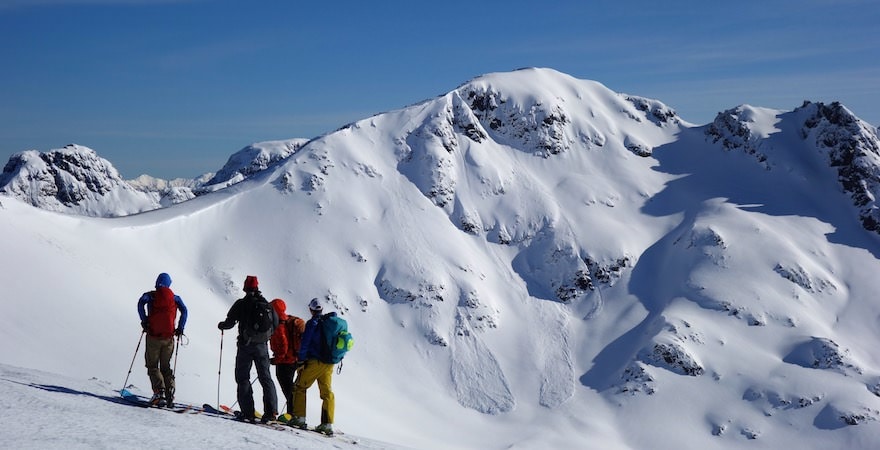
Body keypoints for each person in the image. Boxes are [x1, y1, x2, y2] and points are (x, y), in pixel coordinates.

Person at [217, 275, 279, 424]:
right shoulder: (266, 304)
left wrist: (222, 325)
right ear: (257, 287)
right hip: (262, 347)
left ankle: (248, 412)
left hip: (245, 345)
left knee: (243, 377)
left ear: (245, 288)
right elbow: (276, 323)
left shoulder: (241, 303)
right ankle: (271, 413)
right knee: (265, 377)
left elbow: (229, 322)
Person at [137, 272, 188, 407]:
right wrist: (180, 327)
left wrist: (144, 321)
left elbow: (140, 303)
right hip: (169, 338)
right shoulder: (175, 298)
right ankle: (170, 392)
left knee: (153, 366)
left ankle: (159, 393)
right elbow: (185, 310)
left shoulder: (151, 296)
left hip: (153, 336)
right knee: (166, 367)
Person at [289, 298, 336, 435]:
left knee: (299, 387)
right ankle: (327, 424)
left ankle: (299, 418)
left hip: (315, 361)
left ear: (311, 309)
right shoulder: (329, 323)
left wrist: (300, 360)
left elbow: (305, 343)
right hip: (329, 363)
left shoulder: (312, 323)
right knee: (327, 393)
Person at [268, 298, 305, 417]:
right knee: (291, 387)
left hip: (285, 361)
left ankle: (292, 413)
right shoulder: (289, 320)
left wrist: (275, 360)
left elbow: (283, 347)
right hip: (295, 359)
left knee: (288, 388)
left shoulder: (279, 325)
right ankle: (293, 413)